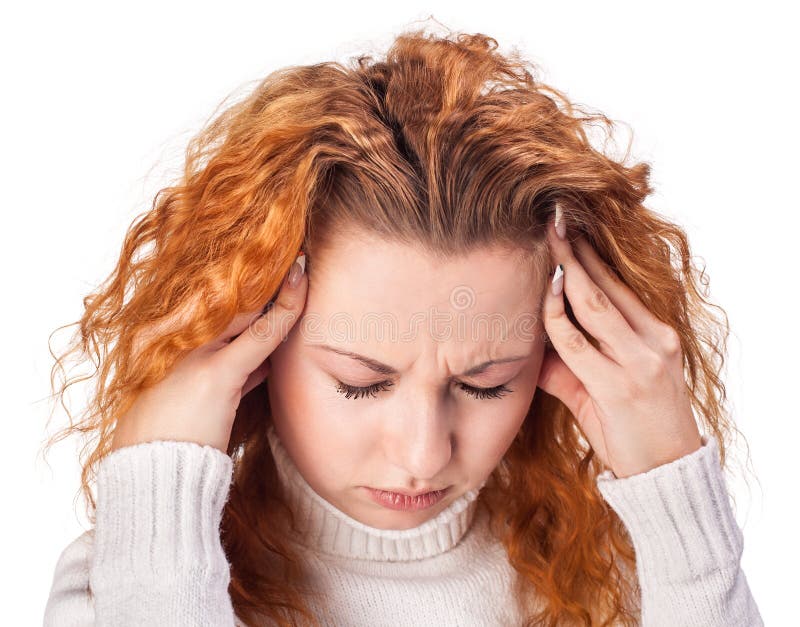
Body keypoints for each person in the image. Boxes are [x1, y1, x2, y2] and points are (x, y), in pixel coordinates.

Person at [41, 25, 764, 626]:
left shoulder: (635, 577)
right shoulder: (137, 571)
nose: (423, 453)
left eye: (486, 384)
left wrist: (674, 487)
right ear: (255, 343)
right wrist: (160, 476)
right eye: (360, 383)